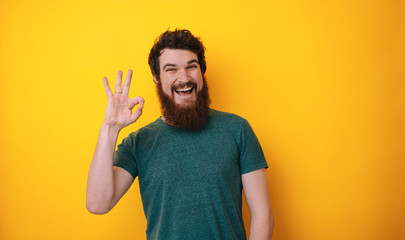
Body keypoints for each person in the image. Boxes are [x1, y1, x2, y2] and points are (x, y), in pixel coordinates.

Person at [86, 29, 274, 240]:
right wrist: (110, 128)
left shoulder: (237, 130)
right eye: (171, 69)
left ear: (201, 71)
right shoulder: (139, 143)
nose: (184, 78)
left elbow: (262, 213)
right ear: (156, 78)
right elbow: (98, 204)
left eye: (191, 67)